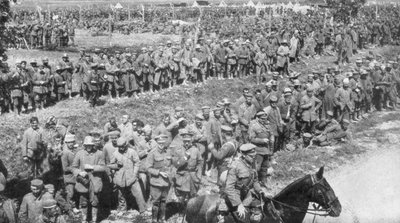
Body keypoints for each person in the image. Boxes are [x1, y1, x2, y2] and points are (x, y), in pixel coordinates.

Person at [217, 143, 267, 223]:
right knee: (243, 218)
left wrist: (259, 190)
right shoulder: (235, 166)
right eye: (251, 156)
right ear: (244, 155)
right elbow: (229, 188)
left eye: (254, 155)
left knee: (260, 214)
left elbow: (255, 181)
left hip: (246, 195)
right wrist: (239, 205)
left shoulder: (252, 163)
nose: (253, 158)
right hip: (234, 197)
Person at [108, 137, 147, 214]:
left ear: (126, 145)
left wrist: (135, 173)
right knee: (121, 195)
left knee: (138, 193)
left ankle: (143, 210)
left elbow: (137, 162)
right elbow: (111, 165)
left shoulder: (132, 152)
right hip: (120, 177)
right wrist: (117, 165)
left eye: (122, 146)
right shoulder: (115, 153)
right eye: (119, 147)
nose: (121, 148)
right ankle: (122, 209)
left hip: (131, 177)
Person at [72, 136, 105, 223]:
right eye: (87, 145)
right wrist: (79, 172)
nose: (89, 147)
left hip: (95, 181)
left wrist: (93, 167)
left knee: (95, 202)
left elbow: (103, 167)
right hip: (83, 182)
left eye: (90, 145)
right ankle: (84, 220)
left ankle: (94, 220)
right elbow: (73, 167)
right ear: (84, 145)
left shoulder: (99, 153)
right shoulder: (79, 153)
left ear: (93, 145)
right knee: (83, 202)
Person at [172, 129, 203, 206]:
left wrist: (199, 175)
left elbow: (200, 162)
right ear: (182, 140)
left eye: (188, 141)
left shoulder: (195, 150)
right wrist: (184, 158)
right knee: (181, 196)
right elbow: (176, 164)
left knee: (192, 196)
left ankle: (190, 213)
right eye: (185, 141)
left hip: (193, 176)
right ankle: (180, 212)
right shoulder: (178, 150)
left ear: (191, 141)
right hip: (182, 175)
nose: (186, 143)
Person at [146, 134, 172, 223]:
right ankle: (154, 220)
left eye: (163, 143)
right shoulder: (152, 153)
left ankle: (162, 219)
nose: (161, 144)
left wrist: (170, 173)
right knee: (156, 202)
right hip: (156, 182)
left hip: (166, 182)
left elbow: (171, 165)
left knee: (164, 201)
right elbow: (148, 168)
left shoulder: (168, 152)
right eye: (159, 143)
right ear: (157, 142)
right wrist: (159, 173)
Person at [248, 111, 274, 185]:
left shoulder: (267, 126)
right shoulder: (254, 126)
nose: (264, 120)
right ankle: (253, 183)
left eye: (265, 119)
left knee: (264, 167)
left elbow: (271, 134)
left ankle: (263, 181)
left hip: (266, 150)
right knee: (257, 168)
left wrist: (271, 147)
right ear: (258, 118)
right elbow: (251, 139)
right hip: (258, 150)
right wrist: (262, 141)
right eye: (262, 119)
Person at [60, 134, 77, 213]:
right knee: (70, 193)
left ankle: (75, 207)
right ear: (66, 143)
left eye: (72, 142)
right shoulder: (65, 153)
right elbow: (65, 168)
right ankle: (70, 209)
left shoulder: (75, 151)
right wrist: (74, 169)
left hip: (76, 176)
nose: (71, 144)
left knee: (76, 192)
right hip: (69, 177)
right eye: (69, 142)